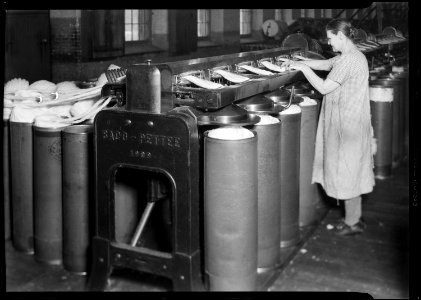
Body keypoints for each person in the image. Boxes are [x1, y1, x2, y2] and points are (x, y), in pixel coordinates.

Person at [281, 18, 375, 236]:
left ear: (341, 36)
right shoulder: (350, 56)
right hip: (351, 123)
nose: (330, 43)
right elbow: (326, 64)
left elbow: (323, 87)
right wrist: (299, 60)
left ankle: (353, 223)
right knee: (351, 171)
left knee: (348, 172)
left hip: (348, 126)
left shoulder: (349, 61)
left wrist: (303, 68)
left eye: (331, 38)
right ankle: (354, 219)